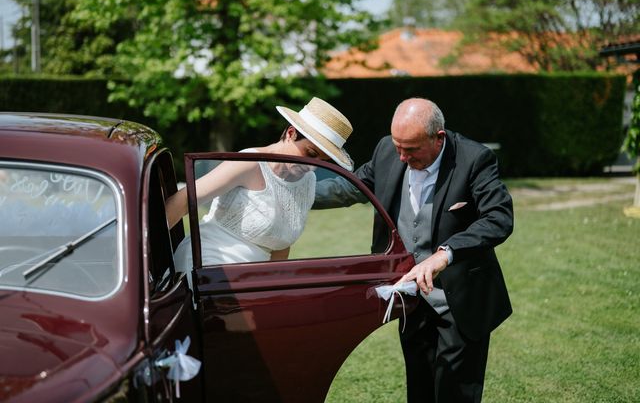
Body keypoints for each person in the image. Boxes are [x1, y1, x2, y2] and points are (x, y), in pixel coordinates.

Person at [315, 97, 513, 403]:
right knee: (418, 389)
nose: (402, 157)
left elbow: (499, 218)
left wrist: (444, 254)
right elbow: (352, 187)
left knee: (454, 393)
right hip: (410, 299)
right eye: (398, 146)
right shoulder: (387, 151)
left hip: (460, 300)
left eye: (412, 149)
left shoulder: (474, 159)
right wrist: (291, 194)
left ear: (439, 138)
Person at [166, 97, 353, 273]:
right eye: (310, 153)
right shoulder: (249, 162)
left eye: (322, 161)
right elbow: (183, 200)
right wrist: (143, 254)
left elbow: (282, 245)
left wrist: (271, 291)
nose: (312, 167)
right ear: (290, 133)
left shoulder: (308, 182)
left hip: (251, 278)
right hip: (208, 263)